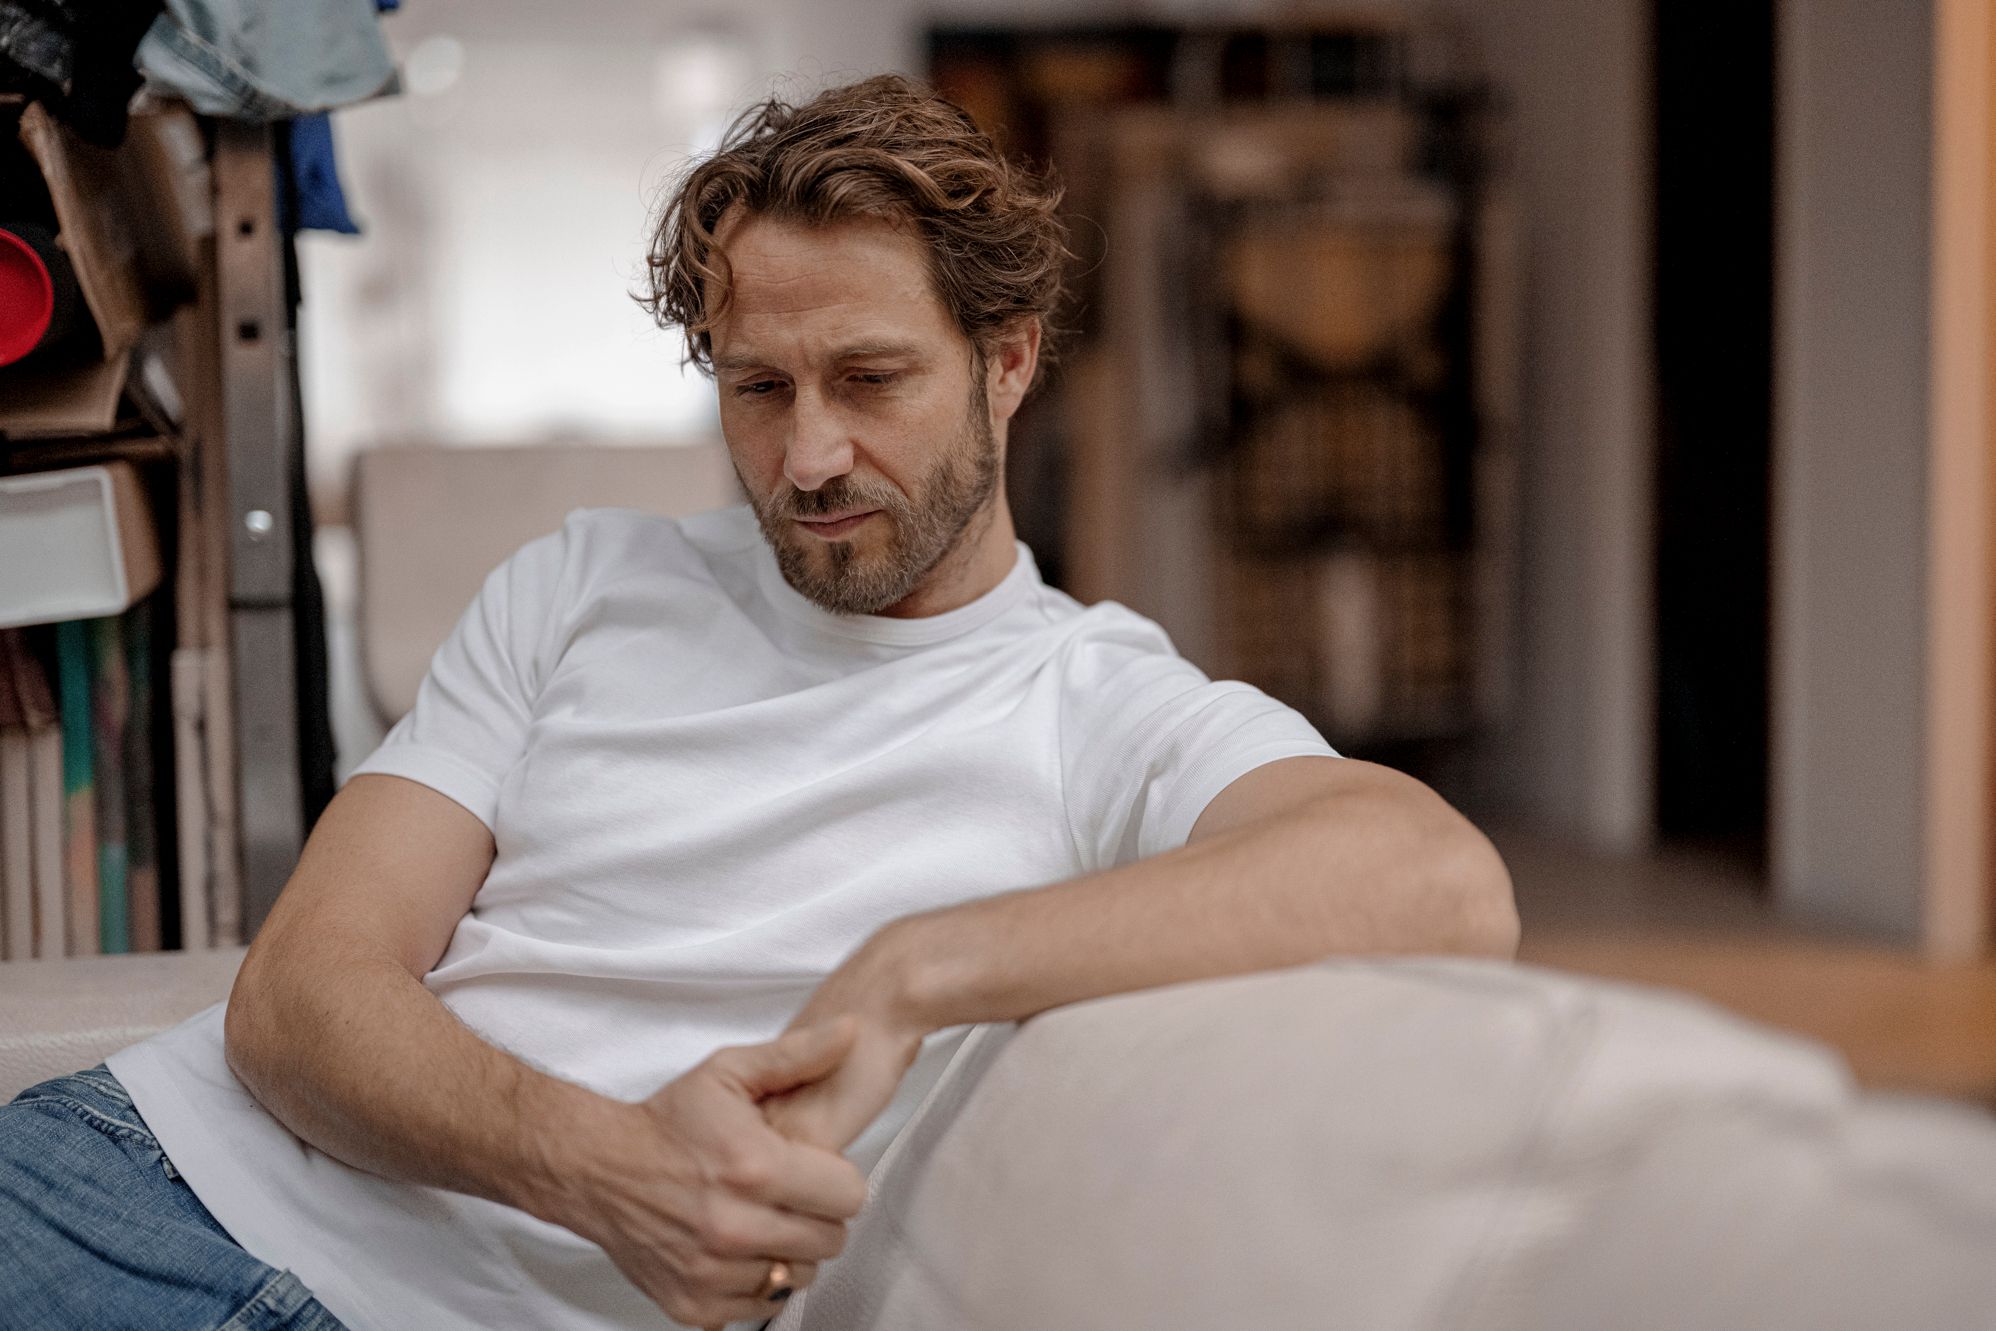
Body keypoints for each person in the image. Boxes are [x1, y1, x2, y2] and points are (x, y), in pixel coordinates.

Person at [0, 73, 1517, 1331]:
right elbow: (297, 997)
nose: (808, 459)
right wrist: (605, 1171)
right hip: (136, 1189)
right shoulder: (579, 582)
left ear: (1007, 363)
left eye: (871, 379)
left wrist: (909, 971)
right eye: (758, 387)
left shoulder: (1096, 701)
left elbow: (1438, 881)